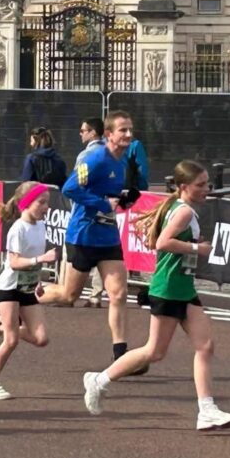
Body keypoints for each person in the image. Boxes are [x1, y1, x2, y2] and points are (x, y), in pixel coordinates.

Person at [82, 160, 230, 431]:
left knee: (205, 346)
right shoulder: (184, 212)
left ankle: (206, 410)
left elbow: (156, 241)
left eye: (207, 183)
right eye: (200, 185)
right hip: (168, 288)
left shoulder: (180, 208)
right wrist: (196, 248)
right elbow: (162, 242)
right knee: (153, 352)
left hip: (183, 288)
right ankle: (99, 381)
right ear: (183, 187)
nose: (206, 189)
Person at [37, 111, 142, 368]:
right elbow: (70, 188)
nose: (128, 135)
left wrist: (125, 200)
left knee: (118, 293)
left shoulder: (122, 162)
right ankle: (23, 299)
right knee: (68, 296)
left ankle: (120, 353)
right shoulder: (96, 159)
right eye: (122, 130)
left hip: (107, 237)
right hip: (83, 235)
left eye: (130, 130)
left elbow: (112, 196)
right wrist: (101, 203)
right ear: (108, 134)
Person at [0, 183, 55, 400]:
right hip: (9, 288)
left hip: (27, 287)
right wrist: (41, 259)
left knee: (41, 338)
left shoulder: (40, 226)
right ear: (25, 204)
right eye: (41, 202)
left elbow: (32, 262)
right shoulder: (18, 229)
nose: (46, 207)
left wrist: (37, 280)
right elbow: (14, 262)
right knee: (11, 341)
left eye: (47, 202)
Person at [75, 118, 106, 309]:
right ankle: (96, 294)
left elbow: (79, 183)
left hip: (86, 209)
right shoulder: (113, 153)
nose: (80, 133)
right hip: (106, 208)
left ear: (93, 132)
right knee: (104, 252)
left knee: (76, 251)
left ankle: (70, 290)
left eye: (83, 130)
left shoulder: (86, 155)